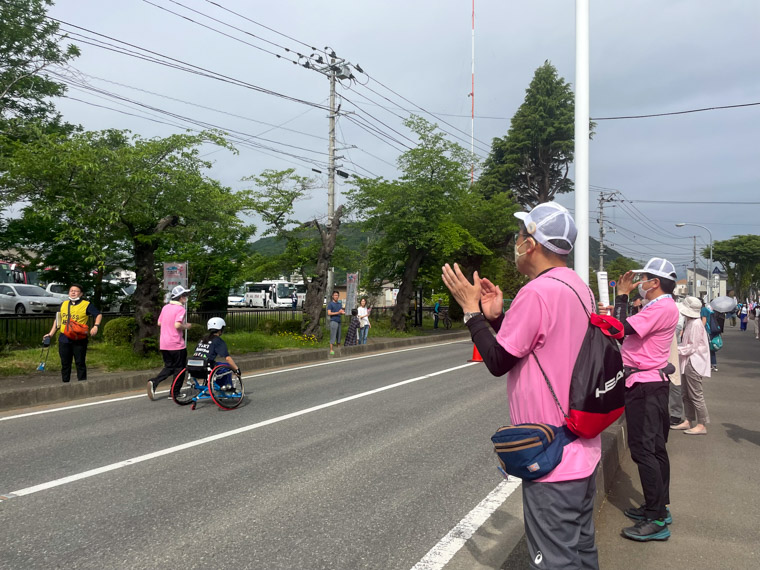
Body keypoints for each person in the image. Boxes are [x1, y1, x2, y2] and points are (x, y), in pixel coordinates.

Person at [443, 202, 601, 569]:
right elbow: (529, 348)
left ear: (530, 244)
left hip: (551, 454)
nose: (514, 243)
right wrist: (496, 319)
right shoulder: (578, 287)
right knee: (581, 551)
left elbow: (498, 363)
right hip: (581, 446)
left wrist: (471, 312)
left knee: (555, 561)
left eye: (519, 235)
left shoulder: (538, 292)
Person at [607, 257, 679, 542]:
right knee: (656, 449)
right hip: (652, 384)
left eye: (643, 279)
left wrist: (622, 296)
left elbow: (619, 329)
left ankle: (657, 519)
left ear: (655, 282)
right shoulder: (660, 306)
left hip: (645, 386)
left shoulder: (660, 307)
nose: (640, 283)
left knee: (644, 451)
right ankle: (658, 506)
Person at [44, 284, 102, 383]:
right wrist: (50, 334)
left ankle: (82, 383)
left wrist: (96, 326)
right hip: (64, 338)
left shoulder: (86, 304)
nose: (73, 292)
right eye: (71, 290)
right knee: (65, 363)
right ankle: (65, 383)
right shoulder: (63, 304)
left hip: (79, 338)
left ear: (81, 293)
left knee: (80, 362)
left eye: (76, 291)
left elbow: (98, 314)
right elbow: (57, 321)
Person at [672, 296, 711, 435]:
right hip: (687, 361)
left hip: (693, 361)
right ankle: (689, 420)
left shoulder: (695, 324)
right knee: (686, 394)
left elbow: (691, 347)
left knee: (695, 394)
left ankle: (702, 424)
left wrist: (674, 349)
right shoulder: (691, 321)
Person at [147, 285, 193, 401]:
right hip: (176, 344)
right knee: (180, 369)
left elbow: (159, 323)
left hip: (164, 343)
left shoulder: (165, 307)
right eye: (185, 296)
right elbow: (177, 325)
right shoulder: (181, 309)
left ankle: (154, 382)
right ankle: (174, 392)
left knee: (169, 367)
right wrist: (186, 326)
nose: (186, 298)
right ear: (181, 297)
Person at [191, 317, 240, 389]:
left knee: (216, 365)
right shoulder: (218, 341)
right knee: (226, 366)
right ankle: (226, 387)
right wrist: (236, 369)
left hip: (193, 367)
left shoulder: (203, 339)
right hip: (207, 367)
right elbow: (227, 358)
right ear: (220, 329)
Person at [327, 291, 345, 355]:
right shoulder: (330, 304)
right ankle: (331, 349)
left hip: (339, 321)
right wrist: (338, 312)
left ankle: (338, 348)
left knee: (339, 336)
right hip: (333, 321)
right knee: (333, 335)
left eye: (337, 295)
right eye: (335, 295)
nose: (336, 296)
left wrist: (342, 313)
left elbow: (341, 312)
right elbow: (329, 313)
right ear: (332, 296)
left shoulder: (339, 304)